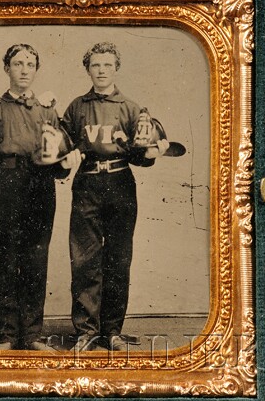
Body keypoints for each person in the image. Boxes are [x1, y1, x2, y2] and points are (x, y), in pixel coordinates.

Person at [60, 42, 169, 352]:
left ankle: (113, 332)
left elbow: (141, 155)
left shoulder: (131, 108)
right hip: (87, 185)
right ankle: (86, 332)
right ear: (88, 69)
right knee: (84, 260)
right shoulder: (77, 107)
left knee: (119, 260)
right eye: (96, 65)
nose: (102, 70)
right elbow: (60, 145)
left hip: (120, 184)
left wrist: (153, 152)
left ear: (116, 68)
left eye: (108, 65)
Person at [0, 44, 75, 351]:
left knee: (36, 261)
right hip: (6, 187)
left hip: (40, 188)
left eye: (30, 64)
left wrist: (64, 163)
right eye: (18, 63)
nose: (24, 69)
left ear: (36, 70)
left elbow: (58, 160)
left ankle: (32, 336)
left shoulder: (47, 111)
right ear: (7, 68)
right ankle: (7, 336)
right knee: (7, 260)